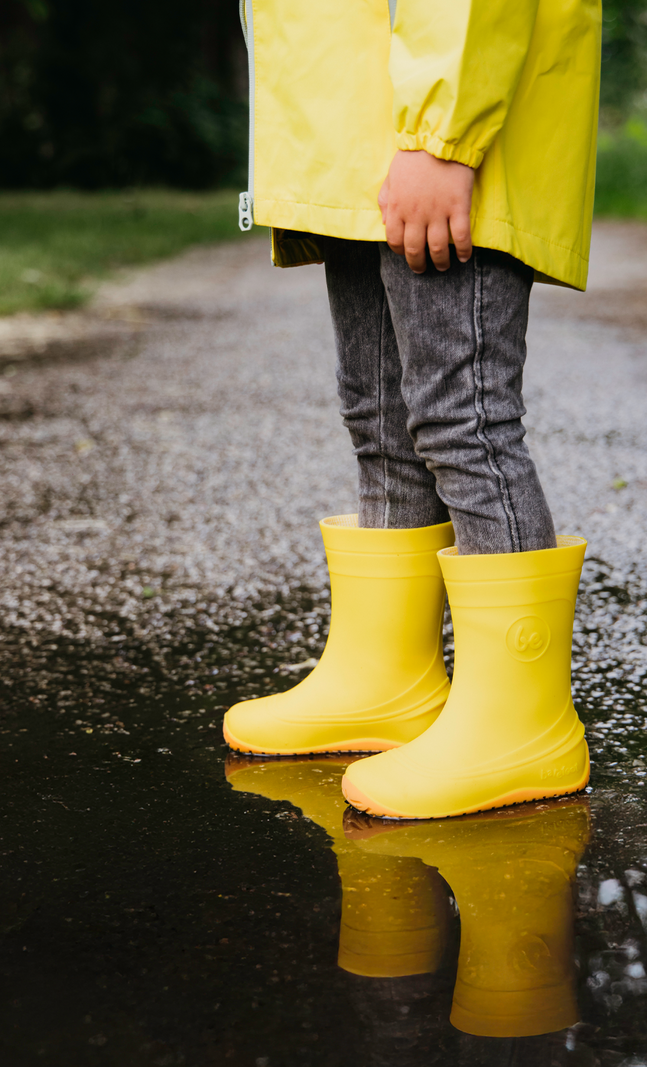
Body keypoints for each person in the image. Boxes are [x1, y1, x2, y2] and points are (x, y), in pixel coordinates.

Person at [223, 0, 602, 819]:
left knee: (462, 419)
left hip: (437, 130)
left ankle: (524, 724)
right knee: (380, 417)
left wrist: (443, 133)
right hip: (352, 131)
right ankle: (385, 678)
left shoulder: (440, 132)